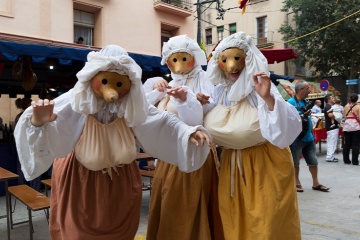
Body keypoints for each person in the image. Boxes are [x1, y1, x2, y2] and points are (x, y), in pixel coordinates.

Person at [14, 45, 211, 240]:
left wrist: (187, 132)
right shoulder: (77, 101)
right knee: (77, 232)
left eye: (119, 84)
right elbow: (54, 127)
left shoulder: (131, 105)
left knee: (122, 231)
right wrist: (38, 122)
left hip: (121, 181)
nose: (112, 92)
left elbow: (161, 121)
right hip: (80, 180)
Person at [203, 32, 302, 239]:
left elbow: (287, 130)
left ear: (248, 59)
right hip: (232, 163)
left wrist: (268, 99)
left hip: (265, 163)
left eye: (236, 58)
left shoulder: (261, 87)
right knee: (235, 220)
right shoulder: (220, 92)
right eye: (225, 59)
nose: (231, 66)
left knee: (266, 224)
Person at [143, 35, 224, 240]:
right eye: (174, 60)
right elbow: (149, 111)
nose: (179, 65)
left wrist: (196, 101)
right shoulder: (169, 83)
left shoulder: (205, 81)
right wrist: (155, 88)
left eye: (183, 59)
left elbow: (209, 112)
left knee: (191, 201)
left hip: (196, 151)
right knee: (168, 199)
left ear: (194, 58)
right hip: (169, 155)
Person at [288, 81, 330, 193]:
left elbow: (309, 119)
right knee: (295, 162)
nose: (310, 91)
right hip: (296, 138)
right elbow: (289, 119)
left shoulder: (306, 102)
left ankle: (316, 183)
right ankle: (296, 182)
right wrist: (302, 115)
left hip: (308, 137)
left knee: (313, 161)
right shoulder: (290, 103)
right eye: (307, 88)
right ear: (300, 90)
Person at [342, 93, 360, 165]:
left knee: (347, 144)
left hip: (347, 126)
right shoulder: (358, 107)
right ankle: (355, 161)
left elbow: (344, 116)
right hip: (355, 125)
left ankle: (346, 160)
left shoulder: (346, 106)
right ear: (357, 99)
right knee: (356, 144)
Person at [324, 94, 340, 162]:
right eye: (332, 98)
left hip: (331, 127)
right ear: (329, 100)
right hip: (332, 127)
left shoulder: (329, 106)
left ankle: (330, 156)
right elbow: (330, 115)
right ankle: (330, 157)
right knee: (332, 142)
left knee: (331, 141)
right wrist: (337, 116)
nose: (334, 99)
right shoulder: (329, 107)